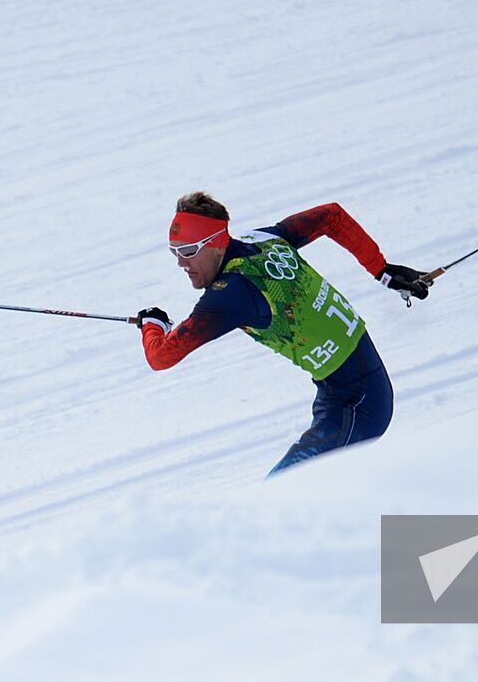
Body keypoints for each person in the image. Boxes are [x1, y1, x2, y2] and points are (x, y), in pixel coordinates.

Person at [137, 192, 430, 475]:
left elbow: (160, 357)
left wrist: (153, 325)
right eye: (174, 252)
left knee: (276, 496)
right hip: (347, 393)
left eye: (188, 251)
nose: (180, 262)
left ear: (215, 243)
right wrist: (381, 269)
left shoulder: (230, 295)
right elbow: (332, 216)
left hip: (356, 408)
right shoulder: (263, 239)